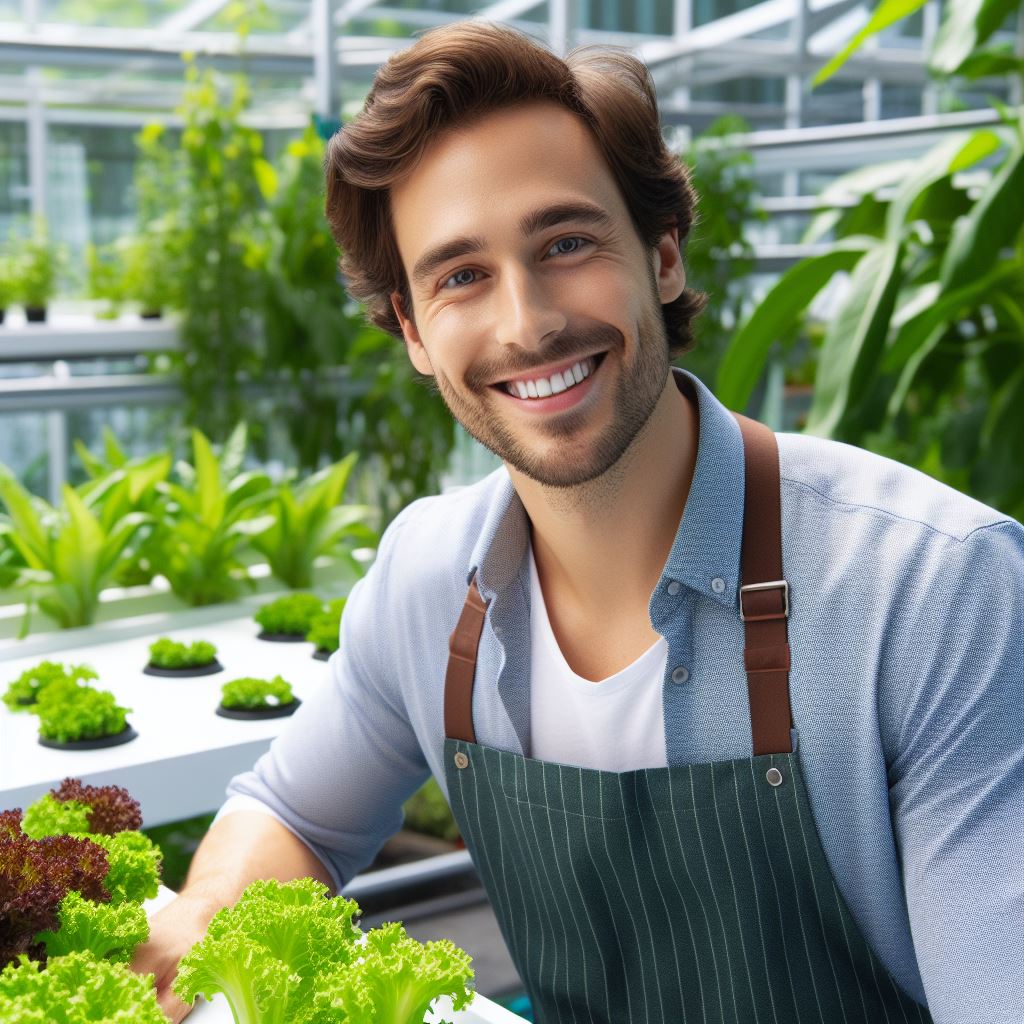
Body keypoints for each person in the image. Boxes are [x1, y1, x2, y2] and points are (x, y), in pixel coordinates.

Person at [135, 20, 1024, 1024]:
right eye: (460, 275)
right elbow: (293, 812)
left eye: (565, 242)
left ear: (663, 256)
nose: (526, 322)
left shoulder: (936, 589)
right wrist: (200, 928)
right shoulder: (427, 581)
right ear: (414, 331)